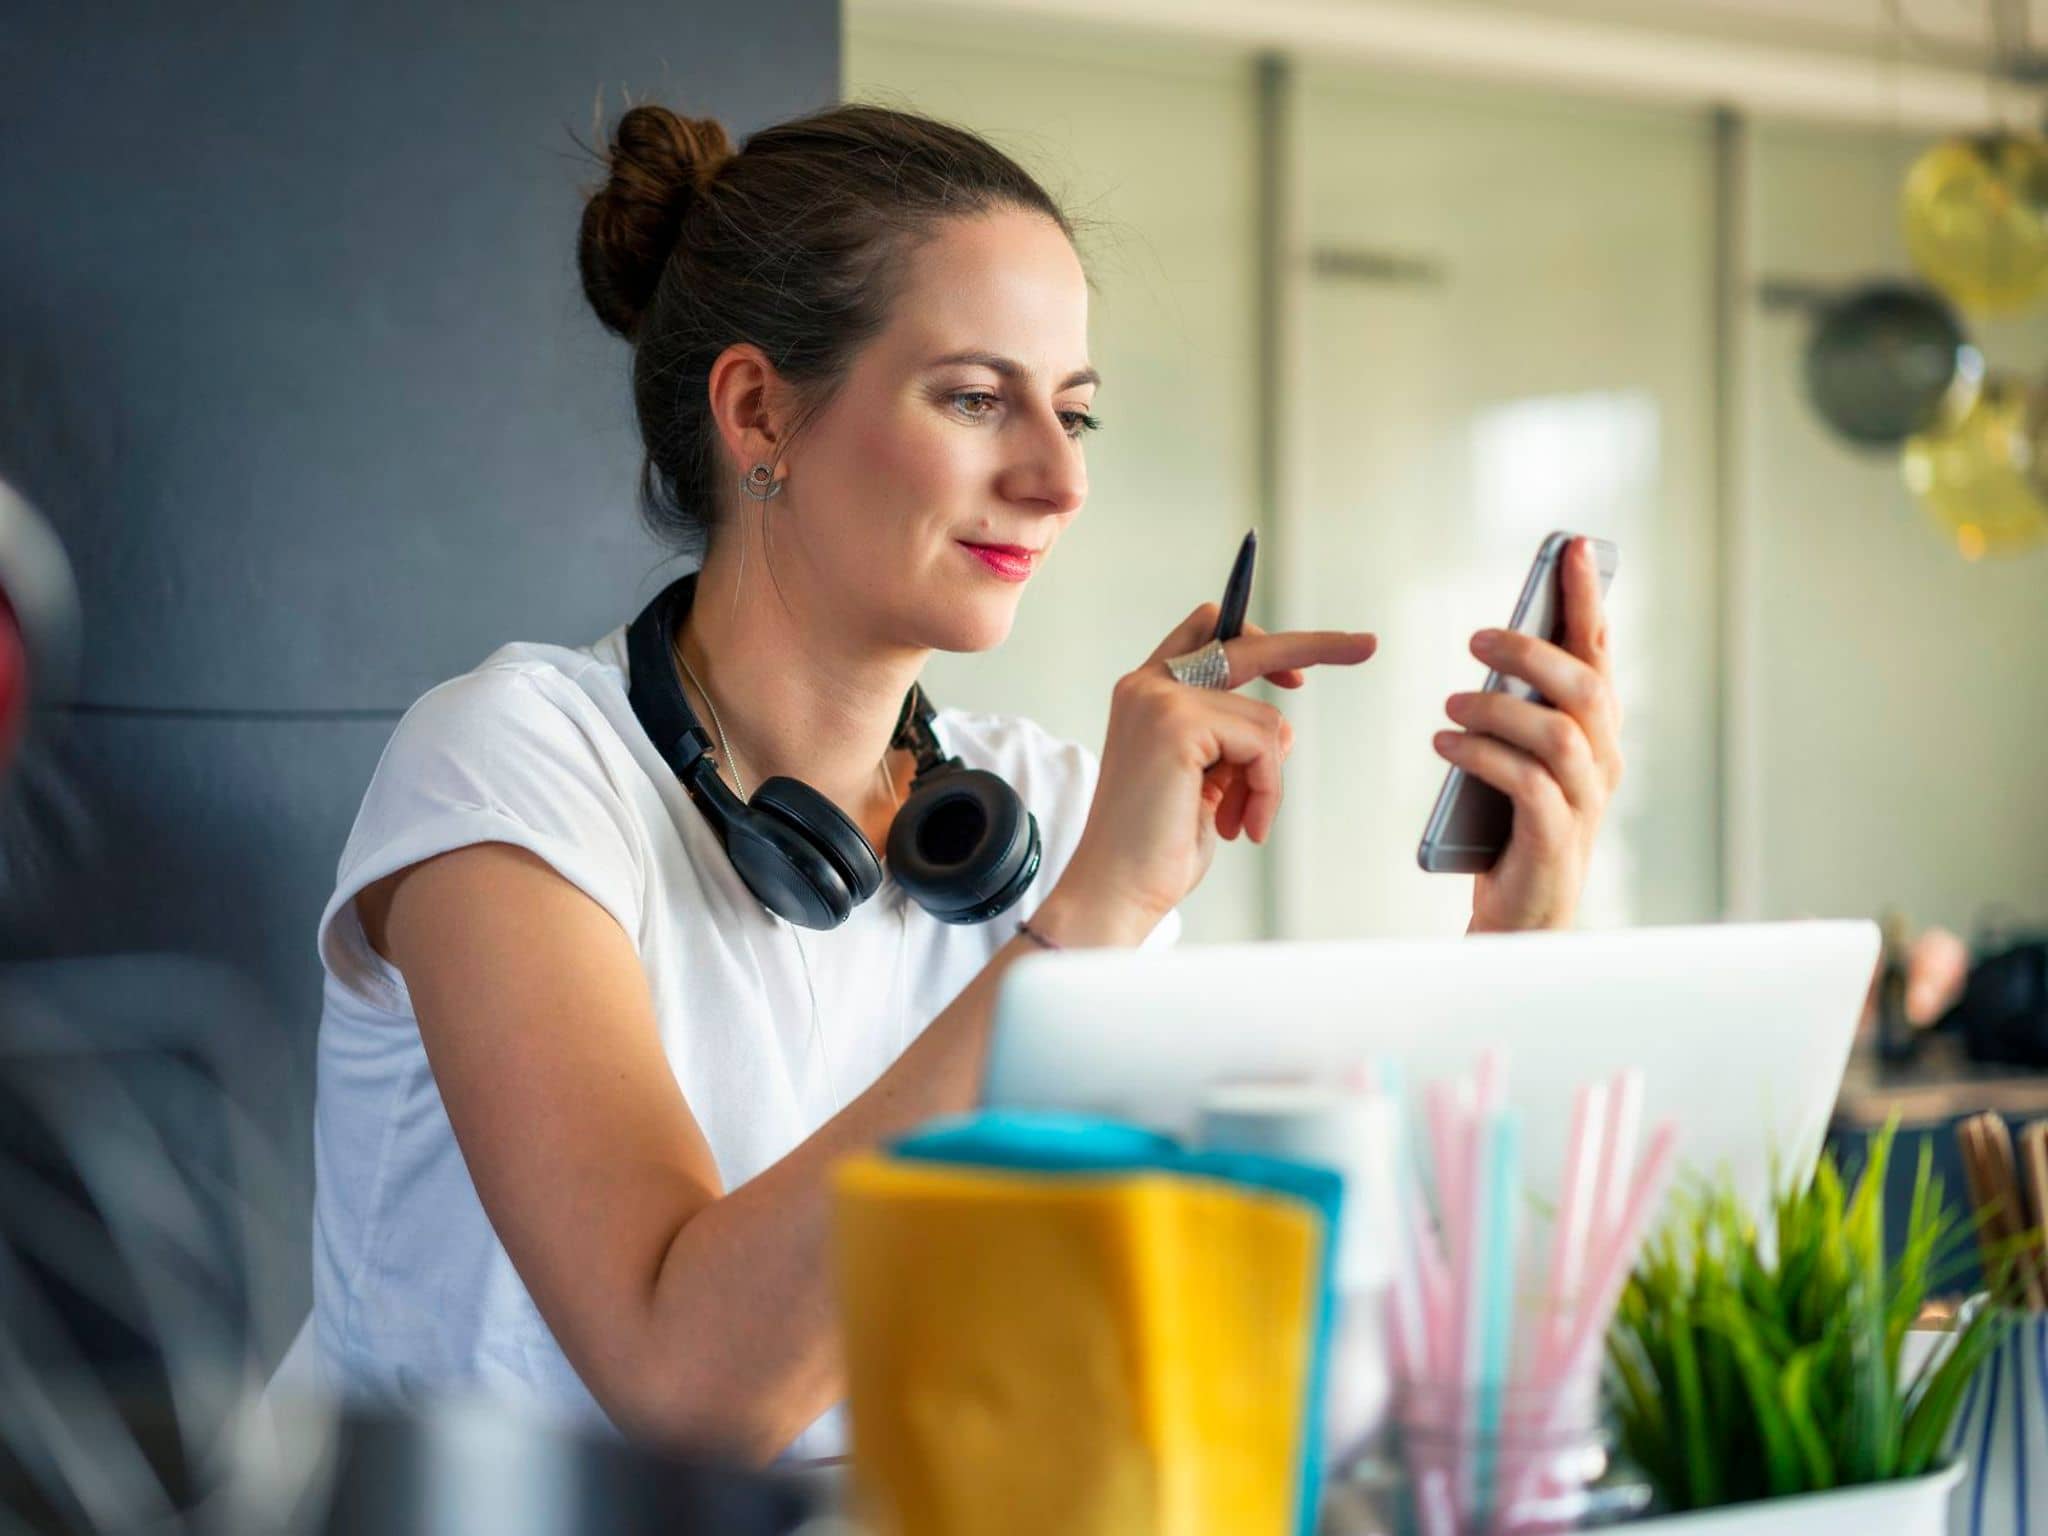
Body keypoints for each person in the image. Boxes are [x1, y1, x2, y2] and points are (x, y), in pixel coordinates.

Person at [304, 102, 1623, 1465]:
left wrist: (1517, 946)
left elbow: (1238, 1331)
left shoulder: (1041, 804)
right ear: (760, 412)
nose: (1058, 480)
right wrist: (1082, 928)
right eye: (978, 399)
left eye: (1077, 412)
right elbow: (687, 1386)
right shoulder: (516, 764)